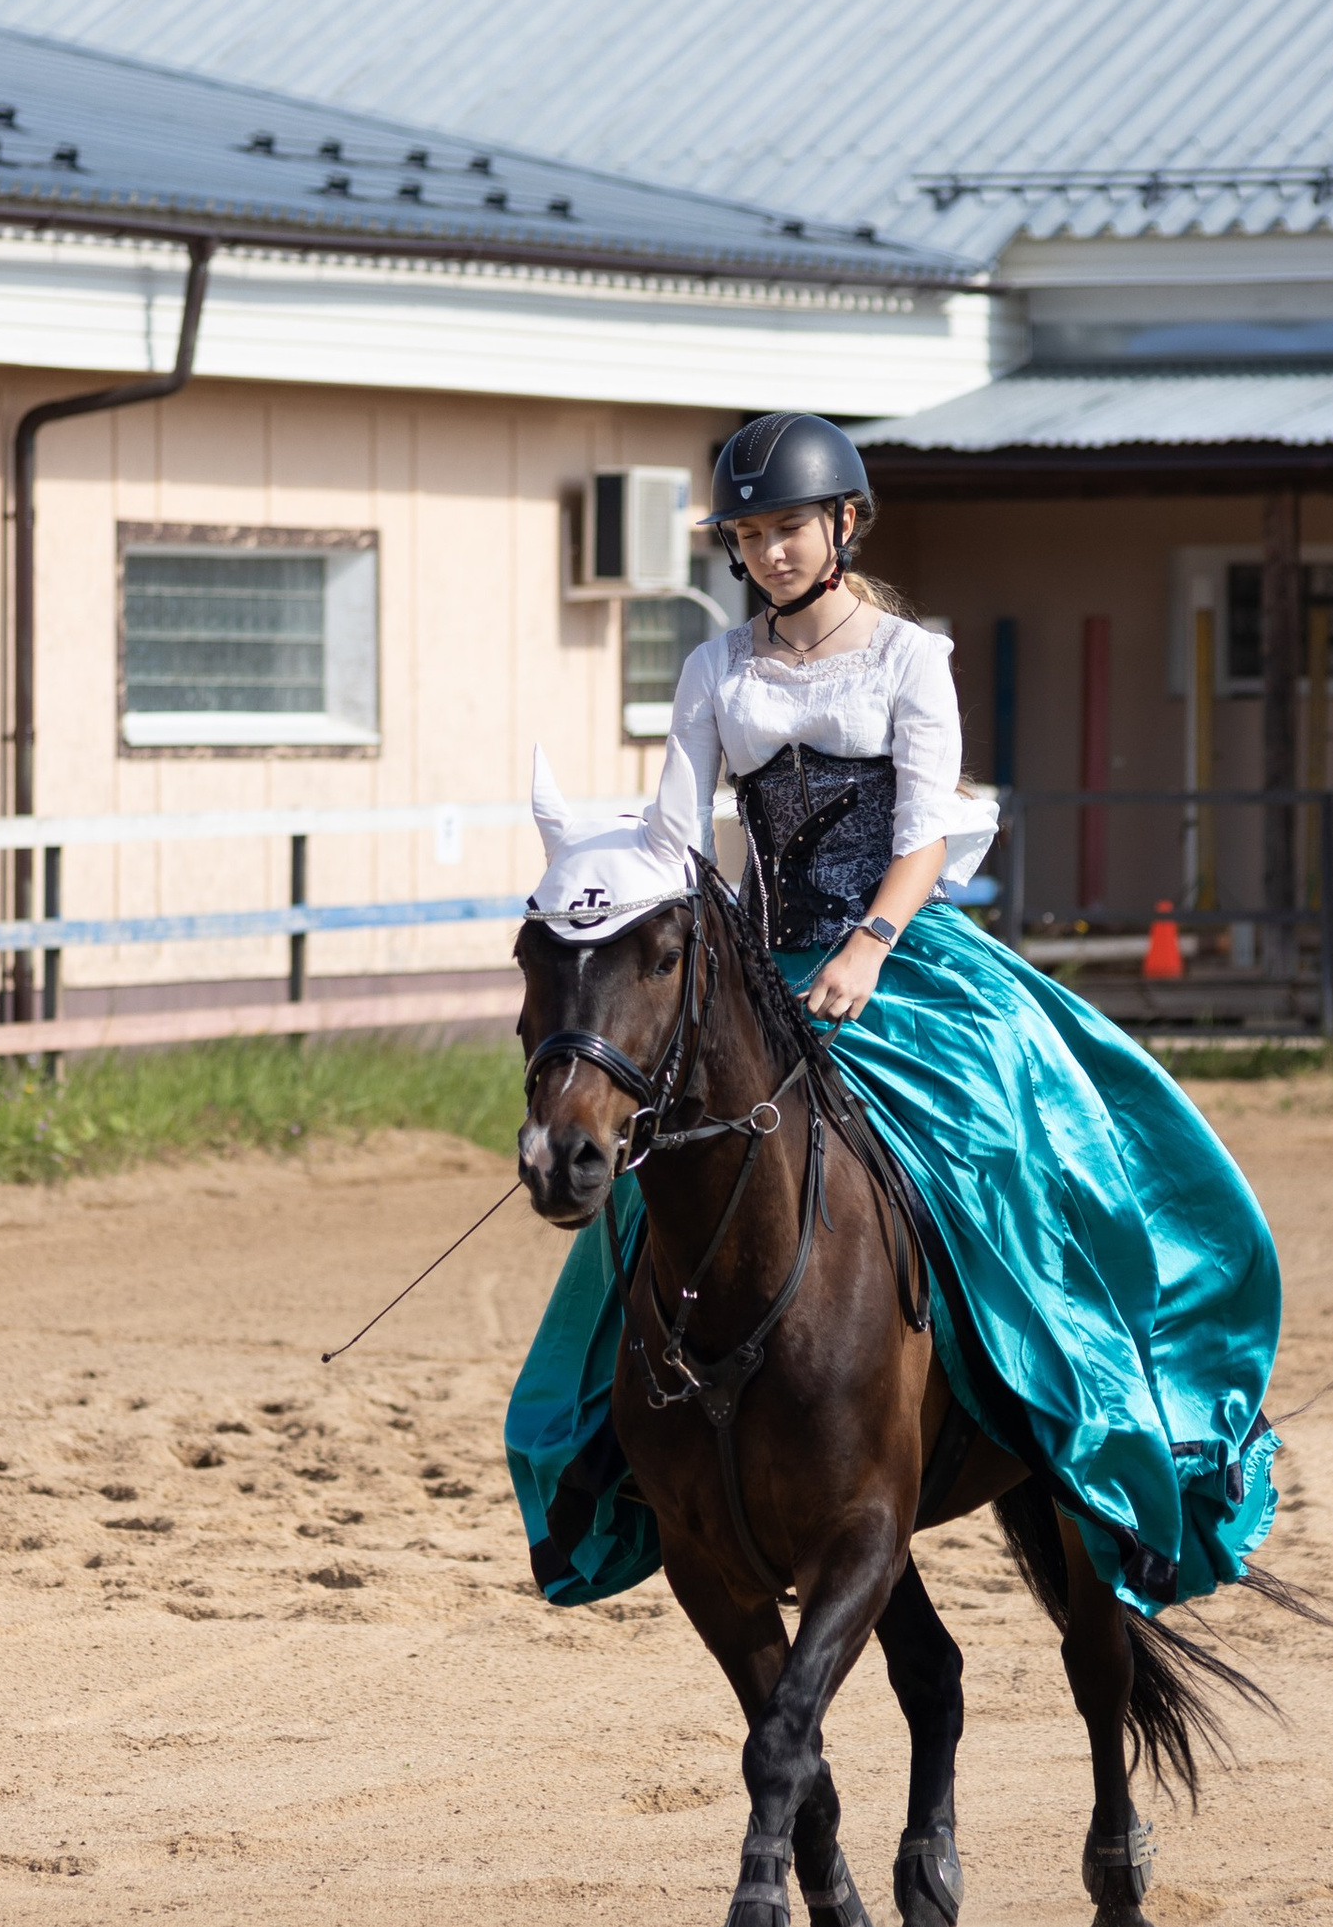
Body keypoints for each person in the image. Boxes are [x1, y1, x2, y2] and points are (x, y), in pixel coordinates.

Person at [514, 411, 1280, 1617]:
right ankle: (612, 1456)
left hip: (903, 956)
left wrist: (868, 946)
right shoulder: (717, 668)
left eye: (789, 529)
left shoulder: (911, 660)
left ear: (843, 525)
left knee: (1005, 1162)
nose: (769, 553)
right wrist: (596, 904)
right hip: (761, 973)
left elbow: (922, 836)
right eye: (751, 534)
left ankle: (1075, 1413)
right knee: (653, 1184)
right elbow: (673, 837)